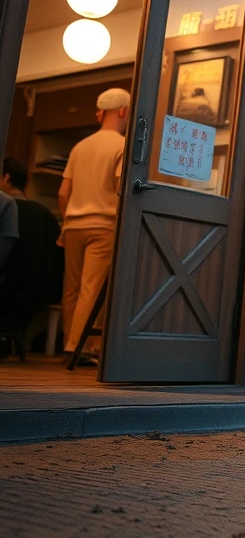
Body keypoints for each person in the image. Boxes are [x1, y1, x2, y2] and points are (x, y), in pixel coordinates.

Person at [59, 88, 130, 363]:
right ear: (123, 111)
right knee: (92, 287)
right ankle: (80, 349)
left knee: (72, 289)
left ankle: (70, 342)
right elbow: (119, 185)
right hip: (102, 225)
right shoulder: (122, 145)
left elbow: (63, 192)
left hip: (73, 224)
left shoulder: (80, 146)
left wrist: (66, 221)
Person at [0, 157, 62, 349]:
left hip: (7, 286)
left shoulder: (6, 207)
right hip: (38, 290)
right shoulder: (44, 214)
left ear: (7, 177)